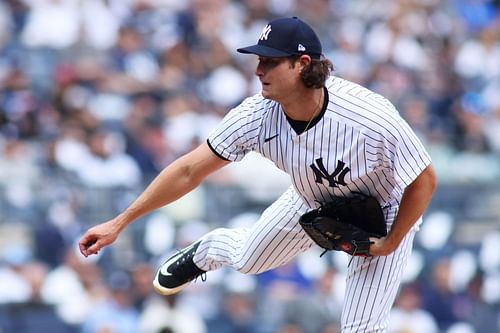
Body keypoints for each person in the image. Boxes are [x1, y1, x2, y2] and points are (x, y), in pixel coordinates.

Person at [79, 17, 437, 332]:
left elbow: (424, 179)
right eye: (259, 60)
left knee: (362, 330)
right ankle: (207, 251)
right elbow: (188, 170)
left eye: (270, 60)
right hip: (310, 197)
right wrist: (120, 222)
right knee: (249, 260)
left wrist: (390, 243)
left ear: (302, 64)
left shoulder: (368, 116)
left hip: (385, 213)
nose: (258, 69)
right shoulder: (256, 115)